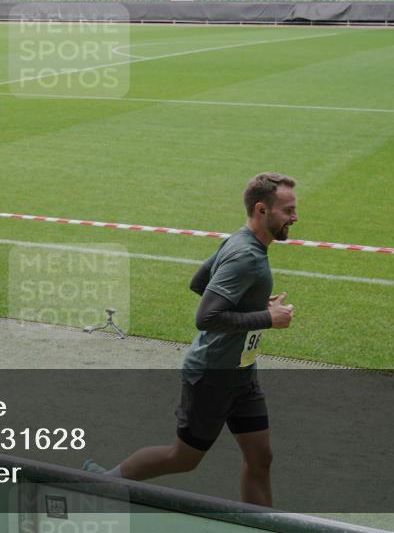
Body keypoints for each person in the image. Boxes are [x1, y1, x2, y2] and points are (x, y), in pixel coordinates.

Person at [84, 172, 298, 507]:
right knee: (183, 457)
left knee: (260, 458)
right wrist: (266, 318)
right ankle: (103, 481)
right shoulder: (246, 256)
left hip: (241, 375)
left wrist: (253, 306)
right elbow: (206, 316)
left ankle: (261, 525)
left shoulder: (240, 240)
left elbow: (199, 282)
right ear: (261, 210)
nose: (295, 217)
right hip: (212, 375)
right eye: (288, 210)